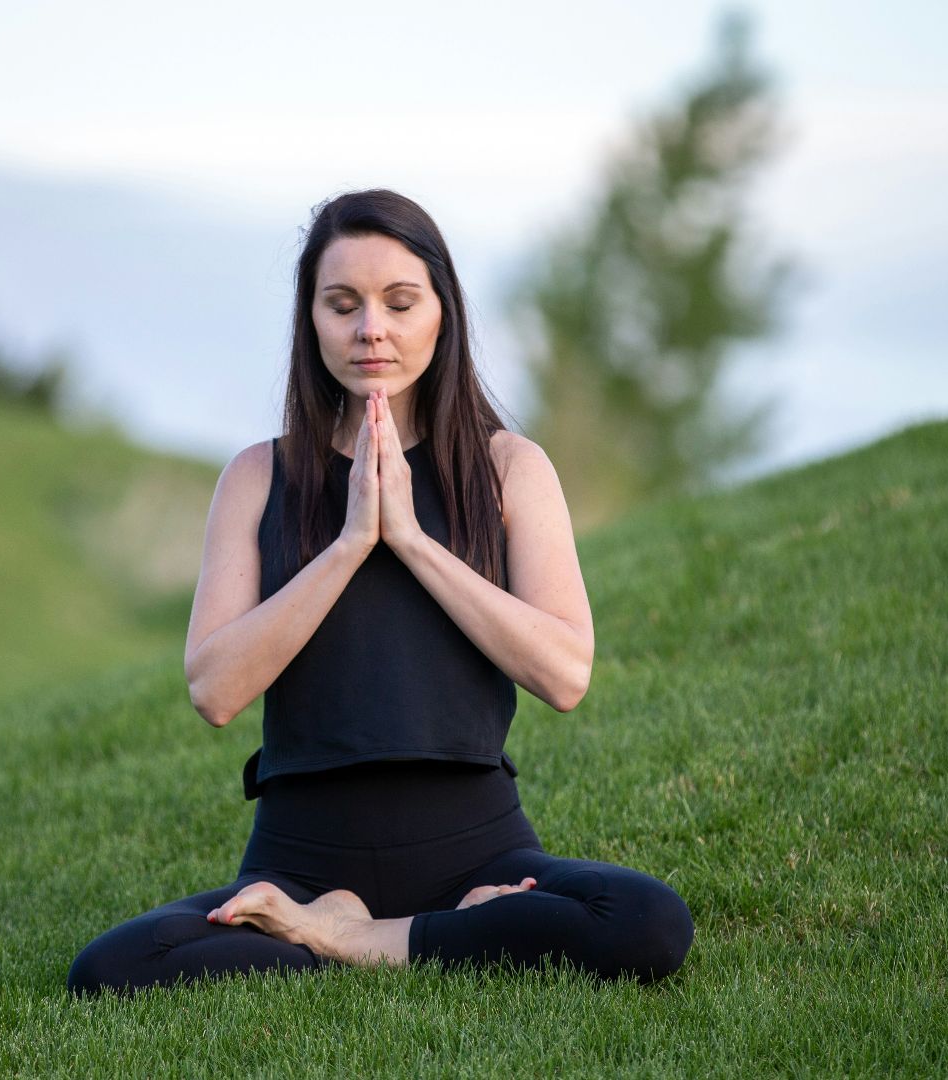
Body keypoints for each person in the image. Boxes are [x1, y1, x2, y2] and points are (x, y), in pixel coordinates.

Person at [66, 189, 693, 995]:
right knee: (111, 969)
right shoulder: (257, 477)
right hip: (300, 860)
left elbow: (566, 674)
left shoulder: (510, 469)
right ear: (311, 320)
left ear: (442, 312)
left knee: (647, 922)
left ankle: (353, 939)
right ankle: (402, 930)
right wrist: (352, 541)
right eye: (343, 304)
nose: (372, 329)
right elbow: (214, 689)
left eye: (400, 302)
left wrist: (413, 540)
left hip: (479, 850)